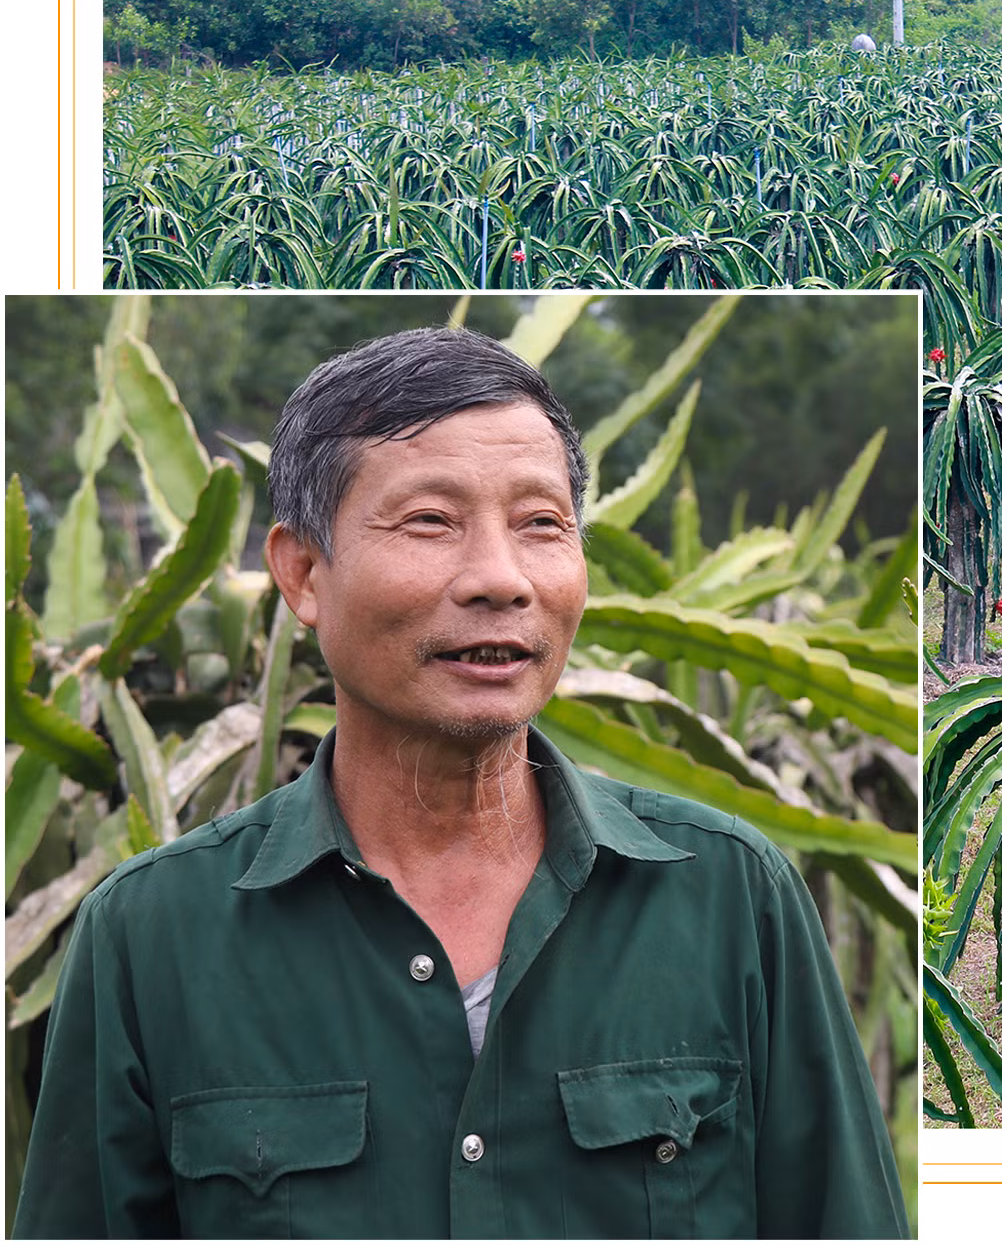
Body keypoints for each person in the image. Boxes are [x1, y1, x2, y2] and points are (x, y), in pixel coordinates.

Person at [13, 326, 909, 1239]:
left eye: (542, 525)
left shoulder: (731, 900)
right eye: (430, 522)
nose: (501, 579)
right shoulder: (149, 937)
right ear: (303, 572)